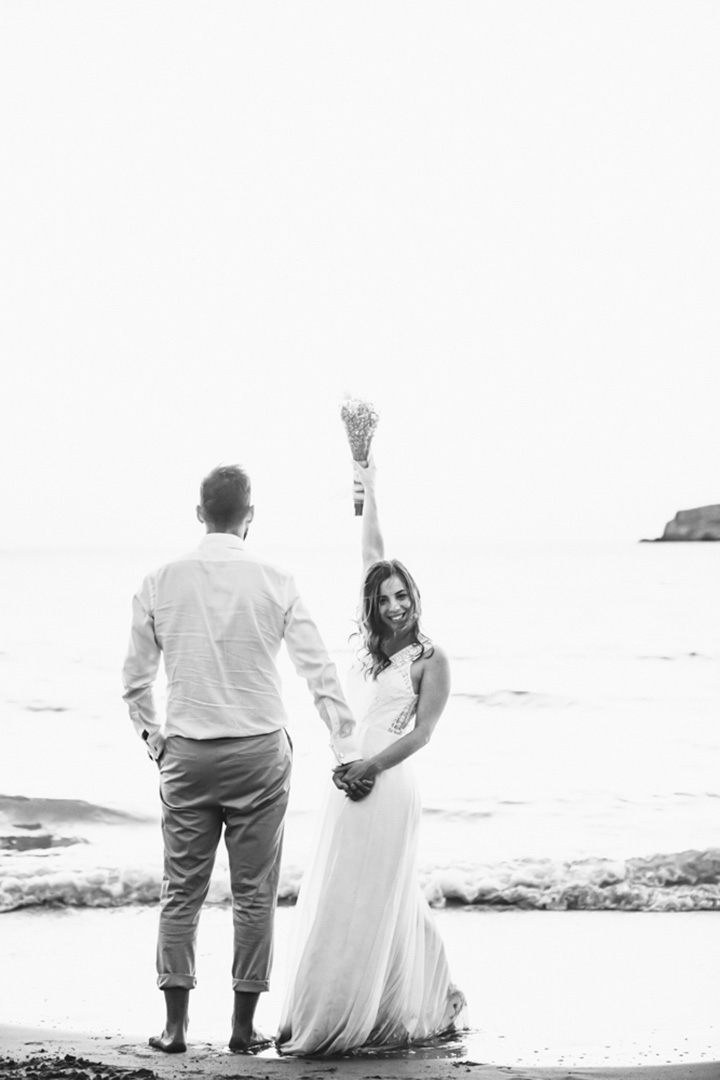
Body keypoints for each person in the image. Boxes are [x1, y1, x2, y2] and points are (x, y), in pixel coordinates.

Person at [121, 464, 367, 1054]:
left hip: (188, 754)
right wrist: (347, 749)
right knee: (255, 893)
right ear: (250, 515)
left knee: (181, 890)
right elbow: (319, 671)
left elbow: (134, 683)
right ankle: (241, 1028)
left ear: (199, 513)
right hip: (259, 754)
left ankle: (174, 1028)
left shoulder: (158, 581)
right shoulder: (277, 580)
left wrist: (156, 740)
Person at [277, 457, 467, 1055]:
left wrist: (369, 767)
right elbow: (372, 549)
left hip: (388, 782)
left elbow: (423, 734)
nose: (394, 605)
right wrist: (369, 485)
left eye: (402, 594)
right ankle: (412, 996)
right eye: (384, 598)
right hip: (350, 780)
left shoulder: (432, 659)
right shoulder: (375, 643)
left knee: (382, 894)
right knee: (351, 894)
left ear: (415, 596)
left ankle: (413, 1002)